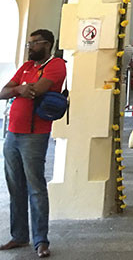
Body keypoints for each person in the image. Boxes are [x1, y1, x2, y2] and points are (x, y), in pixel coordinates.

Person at [0, 29, 67, 258]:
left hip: (34, 134)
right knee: (15, 186)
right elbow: (3, 91)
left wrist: (19, 90)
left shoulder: (55, 65)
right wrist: (19, 89)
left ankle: (41, 240)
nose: (30, 47)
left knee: (35, 187)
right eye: (29, 43)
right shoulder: (26, 67)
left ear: (46, 44)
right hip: (12, 134)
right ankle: (19, 235)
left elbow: (37, 90)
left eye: (34, 43)